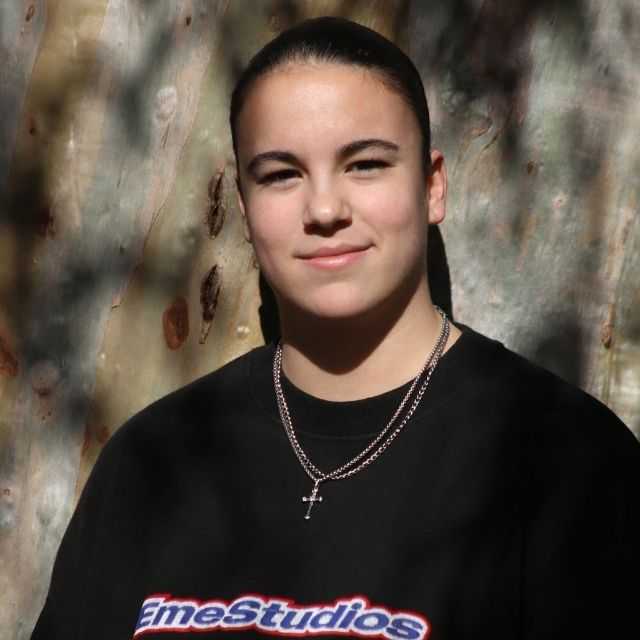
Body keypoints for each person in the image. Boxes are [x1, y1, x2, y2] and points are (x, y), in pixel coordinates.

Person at [31, 16, 639, 640]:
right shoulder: (154, 461)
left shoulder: (564, 461)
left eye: (365, 165)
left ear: (432, 187)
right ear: (243, 207)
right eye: (281, 175)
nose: (324, 209)